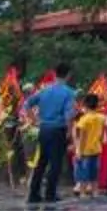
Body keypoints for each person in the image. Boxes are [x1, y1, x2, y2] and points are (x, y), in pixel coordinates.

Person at [26, 67, 76, 202]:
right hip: (58, 129)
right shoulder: (69, 93)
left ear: (55, 75)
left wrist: (34, 120)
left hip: (44, 129)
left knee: (42, 161)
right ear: (68, 75)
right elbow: (69, 115)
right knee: (55, 163)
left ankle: (34, 193)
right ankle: (50, 193)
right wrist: (70, 132)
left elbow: (27, 104)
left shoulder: (45, 90)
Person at [71, 94, 106, 198]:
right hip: (96, 149)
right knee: (94, 173)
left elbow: (82, 137)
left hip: (85, 151)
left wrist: (78, 150)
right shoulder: (101, 118)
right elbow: (101, 135)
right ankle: (95, 192)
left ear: (85, 105)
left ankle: (82, 192)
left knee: (83, 173)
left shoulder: (84, 120)